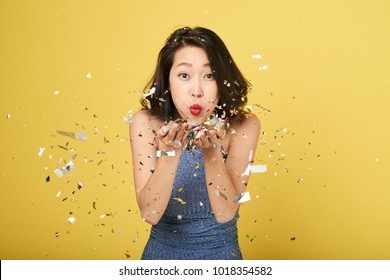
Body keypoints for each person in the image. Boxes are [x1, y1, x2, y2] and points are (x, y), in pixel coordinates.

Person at [129, 26, 260, 260]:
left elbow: (226, 212)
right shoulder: (145, 123)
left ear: (223, 80)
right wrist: (170, 151)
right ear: (168, 81)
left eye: (209, 76)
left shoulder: (244, 125)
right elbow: (149, 212)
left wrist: (212, 153)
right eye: (184, 75)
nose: (197, 91)